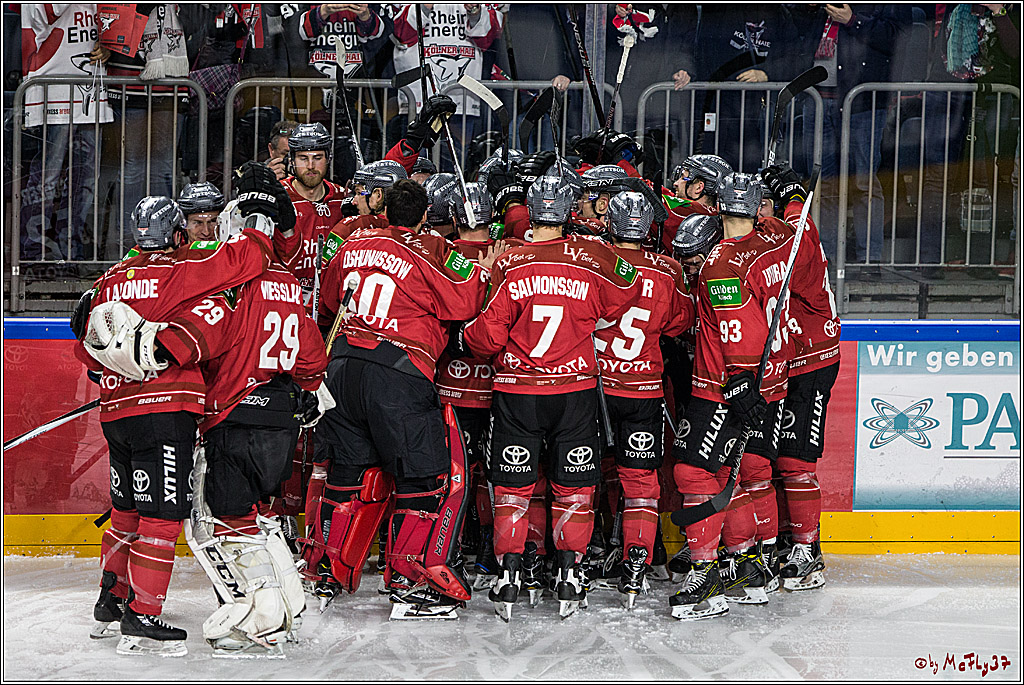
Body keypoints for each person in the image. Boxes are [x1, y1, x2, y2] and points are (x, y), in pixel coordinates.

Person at [74, 163, 294, 655]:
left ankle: (111, 600)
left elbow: (85, 352)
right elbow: (248, 258)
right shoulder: (183, 268)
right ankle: (143, 614)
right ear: (176, 233)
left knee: (126, 511)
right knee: (161, 517)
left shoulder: (109, 280)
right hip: (165, 410)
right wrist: (260, 218)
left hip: (115, 413)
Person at [304, 179, 499, 618]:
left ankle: (326, 570)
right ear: (425, 215)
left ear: (385, 210)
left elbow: (330, 299)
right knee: (423, 479)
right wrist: (483, 270)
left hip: (341, 368)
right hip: (397, 370)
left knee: (347, 472)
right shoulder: (426, 250)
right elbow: (462, 303)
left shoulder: (352, 243)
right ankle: (409, 582)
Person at [462, 173, 642, 621]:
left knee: (513, 487)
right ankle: (570, 573)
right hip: (575, 391)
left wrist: (467, 332)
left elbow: (487, 338)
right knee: (575, 486)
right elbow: (626, 291)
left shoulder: (510, 262)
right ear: (567, 211)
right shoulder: (591, 255)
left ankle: (509, 573)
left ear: (531, 210)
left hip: (518, 392)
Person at [668, 172, 793, 621]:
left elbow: (739, 328)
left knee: (693, 472)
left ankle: (705, 577)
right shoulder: (775, 242)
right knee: (730, 475)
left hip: (723, 384)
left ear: (718, 206)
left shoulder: (722, 264)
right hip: (771, 376)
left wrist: (739, 382)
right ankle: (746, 566)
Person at [594, 190, 695, 608]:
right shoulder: (669, 269)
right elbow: (680, 323)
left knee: (578, 478)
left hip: (594, 387)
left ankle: (577, 563)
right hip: (644, 390)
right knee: (640, 482)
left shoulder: (592, 259)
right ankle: (637, 563)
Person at [760, 163, 841, 592]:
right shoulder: (779, 230)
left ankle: (808, 550)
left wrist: (792, 196)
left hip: (812, 359)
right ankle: (782, 540)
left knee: (795, 459)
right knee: (768, 459)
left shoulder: (797, 229)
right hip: (785, 360)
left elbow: (797, 245)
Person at [434, 183, 519, 590]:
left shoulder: (443, 254)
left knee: (453, 472)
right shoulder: (513, 253)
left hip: (452, 386)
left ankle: (449, 547)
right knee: (496, 473)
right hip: (501, 386)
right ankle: (489, 548)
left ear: (454, 217)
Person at [20, 4, 112, 263]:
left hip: (91, 88)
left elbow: (113, 23)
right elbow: (48, 11)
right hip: (54, 87)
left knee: (86, 180)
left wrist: (109, 48)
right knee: (48, 176)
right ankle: (34, 254)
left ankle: (72, 253)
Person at [277, 122, 347, 313]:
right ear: (291, 160)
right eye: (303, 158)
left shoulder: (343, 199)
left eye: (317, 158)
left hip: (329, 307)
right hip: (286, 304)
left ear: (328, 158)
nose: (310, 166)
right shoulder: (278, 197)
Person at [660, 154, 730, 252]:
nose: (675, 183)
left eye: (683, 178)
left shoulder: (685, 210)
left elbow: (654, 195)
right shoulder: (719, 216)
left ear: (698, 187)